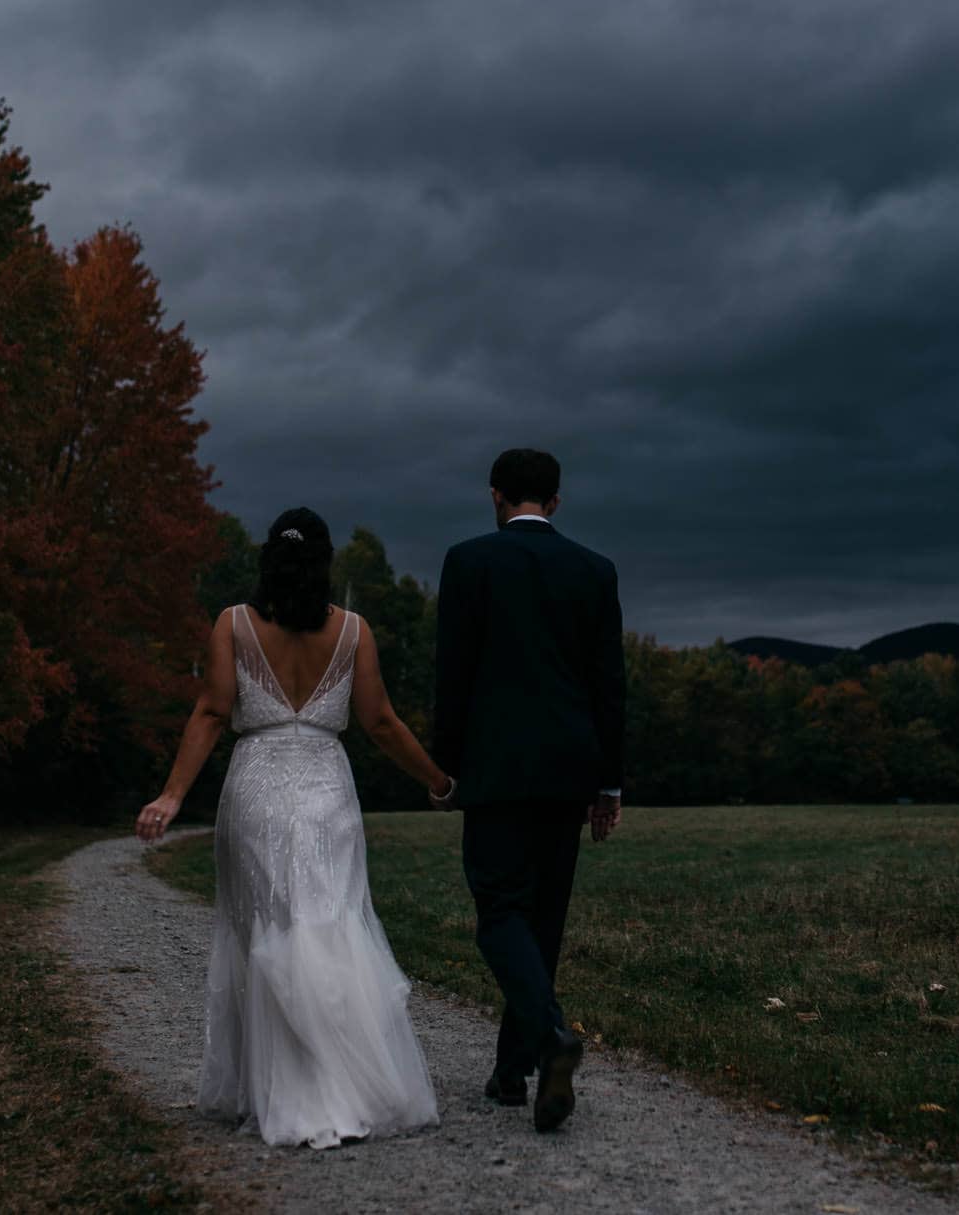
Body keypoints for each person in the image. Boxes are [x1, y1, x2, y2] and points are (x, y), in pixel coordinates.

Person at [135, 506, 451, 1149]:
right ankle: (345, 1081)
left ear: (266, 560)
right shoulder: (354, 630)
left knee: (271, 925)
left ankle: (287, 1088)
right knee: (327, 921)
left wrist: (172, 794)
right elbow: (382, 722)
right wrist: (438, 779)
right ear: (325, 563)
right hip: (327, 789)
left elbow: (212, 710)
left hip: (255, 789)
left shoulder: (232, 624)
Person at [431, 448, 626, 1133]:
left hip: (495, 767)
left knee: (498, 910)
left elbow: (453, 674)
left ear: (495, 495)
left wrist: (444, 767)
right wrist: (608, 781)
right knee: (540, 921)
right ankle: (511, 1073)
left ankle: (549, 1037)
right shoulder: (594, 570)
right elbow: (610, 685)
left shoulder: (468, 561)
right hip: (571, 767)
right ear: (556, 502)